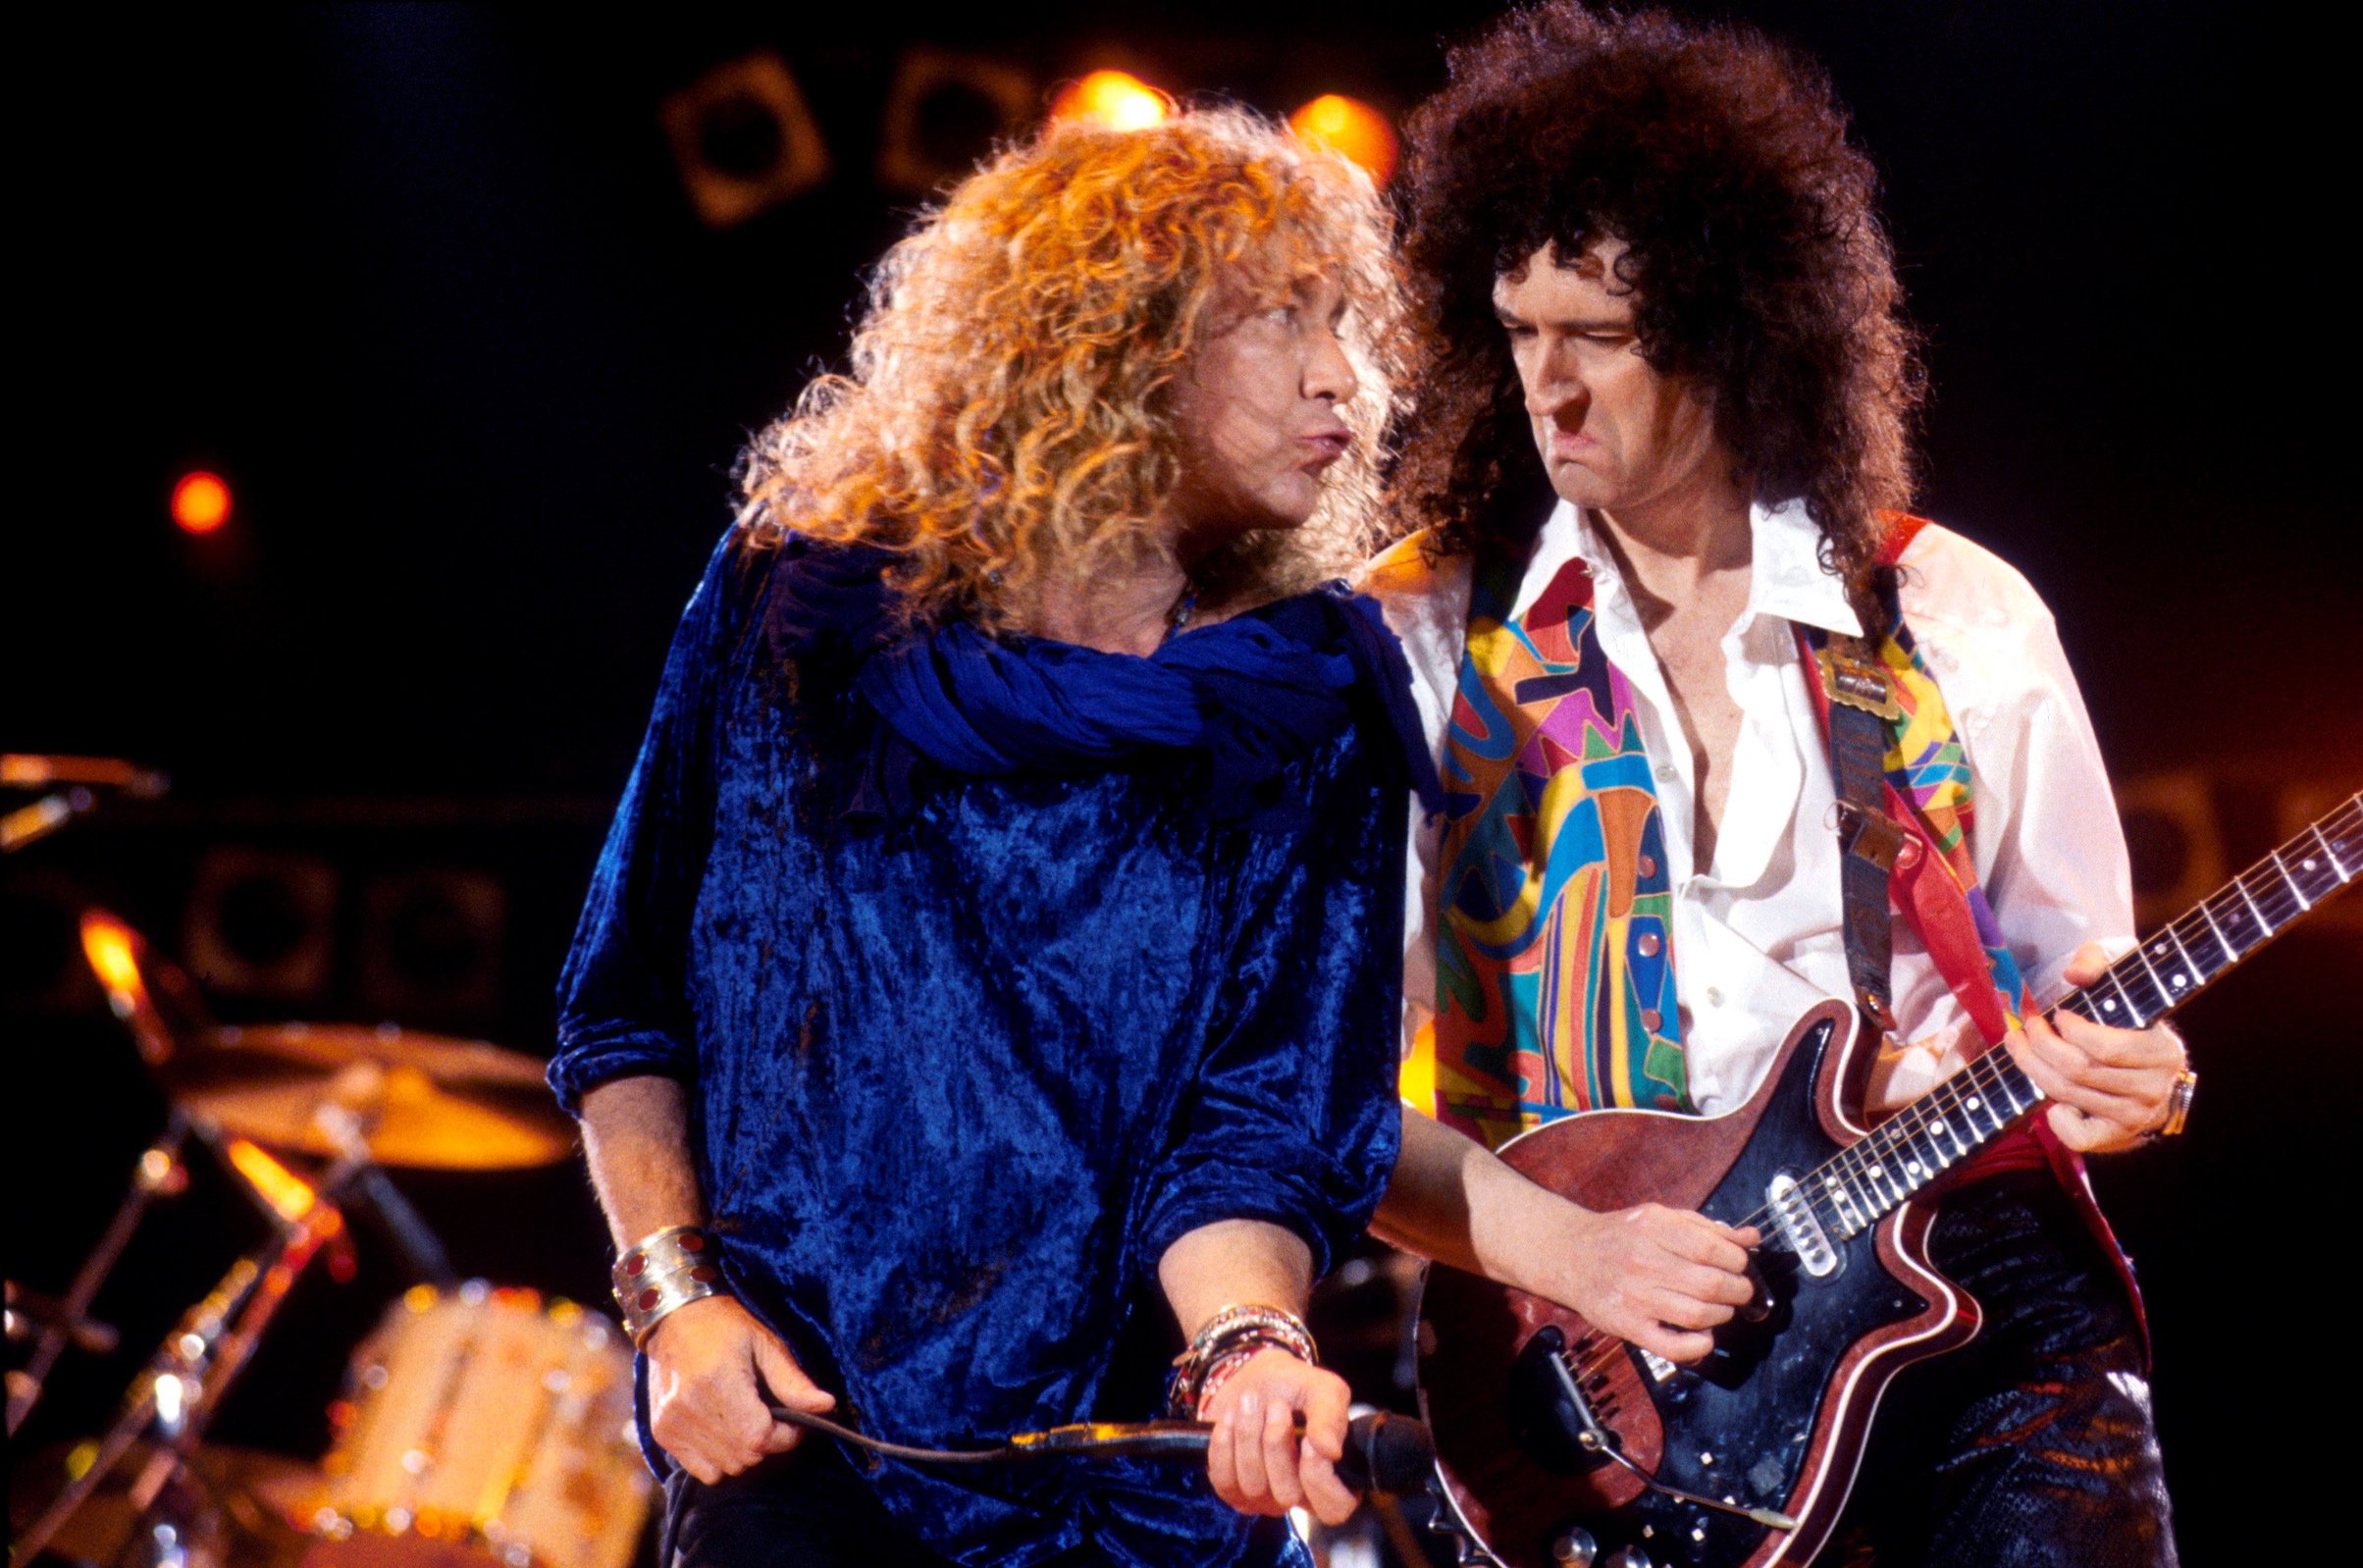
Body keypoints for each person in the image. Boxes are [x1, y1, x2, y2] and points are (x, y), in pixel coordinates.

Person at [548, 107, 1428, 1567]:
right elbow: (625, 996)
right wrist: (672, 1301)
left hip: (1147, 1502)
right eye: (1285, 319)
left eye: (1345, 320)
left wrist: (1247, 1348)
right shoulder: (797, 609)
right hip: (813, 1452)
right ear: (1117, 345)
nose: (1348, 375)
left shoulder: (1306, 695)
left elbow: (1258, 1126)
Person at [1364, 6, 2186, 1562]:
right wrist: (1574, 1253)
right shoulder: (1417, 644)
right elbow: (1313, 1106)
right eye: (1517, 328)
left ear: (1733, 321)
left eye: (1596, 334)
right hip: (1607, 1384)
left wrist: (2138, 1077)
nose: (1547, 386)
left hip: (1981, 1322)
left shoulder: (1953, 616)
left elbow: (2082, 993)